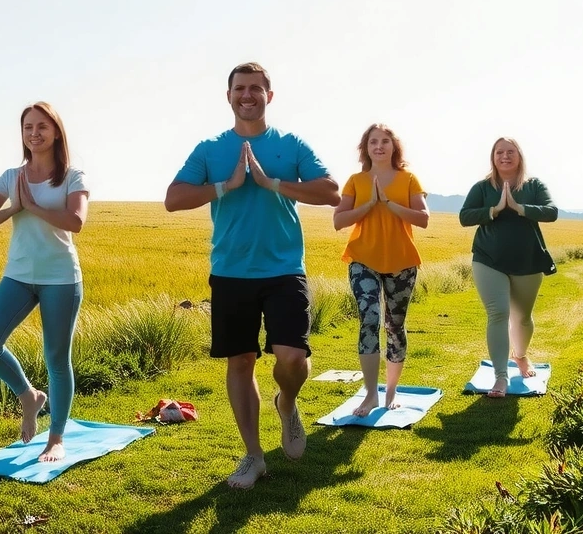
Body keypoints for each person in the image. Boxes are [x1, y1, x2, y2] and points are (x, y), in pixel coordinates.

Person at [165, 63, 338, 489]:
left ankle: (288, 401)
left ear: (269, 96)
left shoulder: (289, 144)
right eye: (240, 89)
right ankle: (254, 456)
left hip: (283, 269)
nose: (247, 95)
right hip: (231, 272)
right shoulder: (210, 149)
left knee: (293, 358)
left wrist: (271, 182)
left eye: (256, 88)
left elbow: (330, 191)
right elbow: (174, 198)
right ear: (228, 96)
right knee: (240, 361)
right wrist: (228, 185)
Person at [0, 101, 90, 463]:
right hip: (19, 276)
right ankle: (28, 396)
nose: (34, 133)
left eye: (41, 127)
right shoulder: (11, 177)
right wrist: (13, 207)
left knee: (56, 358)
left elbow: (75, 222)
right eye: (27, 128)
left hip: (60, 279)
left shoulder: (73, 176)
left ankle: (55, 438)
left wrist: (33, 206)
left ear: (56, 132)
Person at [332, 124, 428, 415]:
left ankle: (391, 391)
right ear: (366, 147)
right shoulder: (356, 181)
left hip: (402, 262)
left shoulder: (408, 179)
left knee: (394, 325)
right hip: (364, 260)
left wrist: (388, 202)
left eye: (385, 141)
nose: (379, 146)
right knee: (370, 318)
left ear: (393, 147)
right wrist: (370, 204)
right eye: (373, 142)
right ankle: (371, 394)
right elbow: (339, 220)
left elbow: (423, 218)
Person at [458, 137, 558, 398]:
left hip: (528, 262)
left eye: (510, 151)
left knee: (522, 318)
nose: (505, 156)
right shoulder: (482, 187)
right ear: (493, 157)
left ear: (519, 156)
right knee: (498, 314)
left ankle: (520, 355)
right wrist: (495, 209)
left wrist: (519, 207)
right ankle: (500, 378)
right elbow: (464, 216)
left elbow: (551, 211)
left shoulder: (534, 185)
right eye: (499, 152)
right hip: (488, 259)